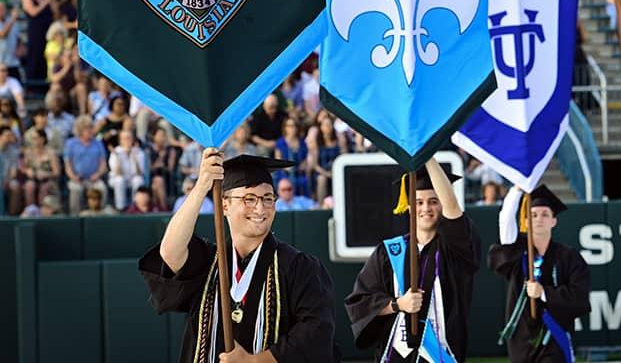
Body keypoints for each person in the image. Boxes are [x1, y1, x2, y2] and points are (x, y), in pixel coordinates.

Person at [139, 151, 340, 362]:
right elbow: (170, 253)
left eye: (268, 198)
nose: (260, 208)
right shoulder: (208, 262)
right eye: (249, 199)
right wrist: (201, 187)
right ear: (225, 205)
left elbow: (316, 333)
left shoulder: (299, 267)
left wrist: (255, 360)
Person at [345, 159, 481, 362]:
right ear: (409, 207)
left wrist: (426, 155)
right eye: (418, 202)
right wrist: (398, 304)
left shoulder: (454, 250)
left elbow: (454, 210)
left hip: (441, 355)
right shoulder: (389, 252)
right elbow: (360, 303)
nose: (426, 208)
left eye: (433, 201)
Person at [488, 185, 591, 362]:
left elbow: (580, 297)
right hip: (522, 339)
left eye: (545, 214)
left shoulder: (568, 256)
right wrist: (516, 190)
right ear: (526, 222)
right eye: (533, 215)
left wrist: (544, 293)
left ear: (554, 221)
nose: (539, 219)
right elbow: (505, 220)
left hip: (554, 336)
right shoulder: (517, 254)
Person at [64, 115, 108, 215]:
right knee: (76, 189)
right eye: (88, 128)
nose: (91, 131)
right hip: (77, 178)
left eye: (91, 128)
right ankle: (75, 216)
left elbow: (103, 164)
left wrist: (98, 174)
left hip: (94, 178)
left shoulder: (98, 143)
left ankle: (101, 214)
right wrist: (73, 177)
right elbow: (68, 165)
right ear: (80, 130)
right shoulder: (70, 143)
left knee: (102, 188)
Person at [21, 0, 55, 89]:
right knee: (34, 58)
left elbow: (55, 13)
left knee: (45, 59)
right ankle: (31, 87)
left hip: (48, 33)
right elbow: (33, 12)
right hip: (36, 33)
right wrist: (46, 1)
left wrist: (52, 0)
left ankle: (43, 87)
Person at [20, 127, 60, 207]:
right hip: (33, 179)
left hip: (48, 180)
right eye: (33, 138)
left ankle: (42, 213)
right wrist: (27, 170)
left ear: (43, 139)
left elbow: (57, 172)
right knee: (29, 186)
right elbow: (22, 168)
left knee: (44, 188)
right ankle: (31, 210)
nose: (35, 141)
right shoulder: (28, 152)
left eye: (37, 138)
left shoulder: (51, 153)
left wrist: (46, 174)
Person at [108, 129, 146, 210]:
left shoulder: (139, 152)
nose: (127, 141)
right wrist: (118, 157)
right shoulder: (116, 151)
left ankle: (134, 207)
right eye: (124, 139)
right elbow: (117, 173)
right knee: (119, 180)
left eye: (129, 138)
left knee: (138, 180)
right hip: (116, 179)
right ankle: (120, 208)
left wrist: (133, 155)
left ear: (132, 139)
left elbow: (139, 173)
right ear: (120, 141)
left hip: (132, 179)